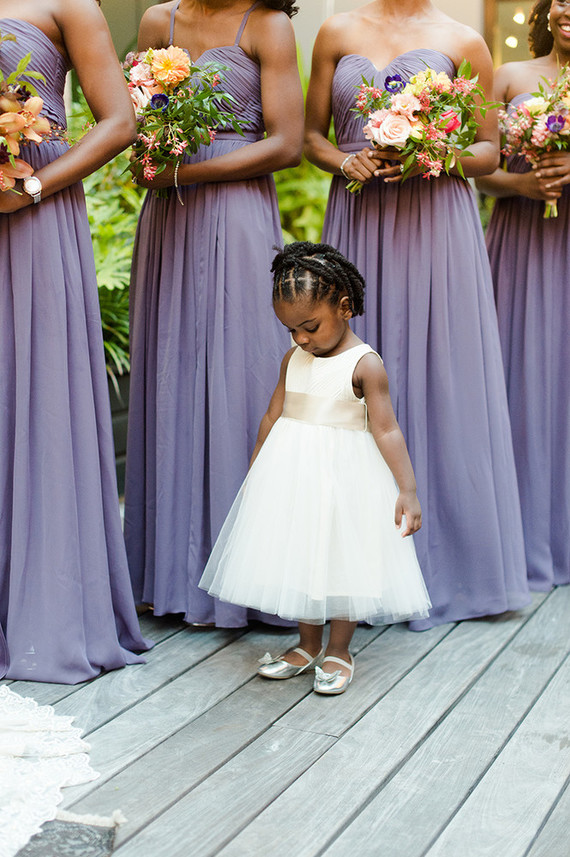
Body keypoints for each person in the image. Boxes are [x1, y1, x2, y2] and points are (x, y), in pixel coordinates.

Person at [303, 0, 531, 629]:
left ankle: (449, 564)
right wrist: (341, 160)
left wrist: (432, 152)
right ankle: (356, 567)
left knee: (442, 376)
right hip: (358, 215)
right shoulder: (337, 28)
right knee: (351, 379)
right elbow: (309, 136)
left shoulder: (464, 41)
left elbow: (487, 151)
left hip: (436, 222)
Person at [124, 0, 304, 627]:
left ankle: (250, 576)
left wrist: (189, 172)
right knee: (171, 368)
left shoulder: (268, 25)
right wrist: (150, 156)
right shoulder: (155, 22)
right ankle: (169, 569)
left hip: (234, 213)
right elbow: (135, 121)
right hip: (169, 220)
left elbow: (286, 144)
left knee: (240, 374)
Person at [200, 243, 431, 694]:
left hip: (346, 480)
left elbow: (386, 430)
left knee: (342, 559)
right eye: (291, 330)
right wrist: (256, 473)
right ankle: (306, 645)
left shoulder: (364, 365)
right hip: (294, 477)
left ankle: (339, 650)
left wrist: (408, 489)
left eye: (309, 326)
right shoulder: (294, 359)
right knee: (304, 556)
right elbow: (273, 416)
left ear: (344, 308)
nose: (301, 338)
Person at [0, 0, 151, 682]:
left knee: (33, 392)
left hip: (35, 217)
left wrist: (31, 184)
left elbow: (119, 123)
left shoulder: (68, 4)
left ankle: (44, 608)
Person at [476, 0, 570, 591]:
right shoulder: (509, 77)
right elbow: (473, 167)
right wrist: (524, 183)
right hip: (520, 244)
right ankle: (523, 535)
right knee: (522, 380)